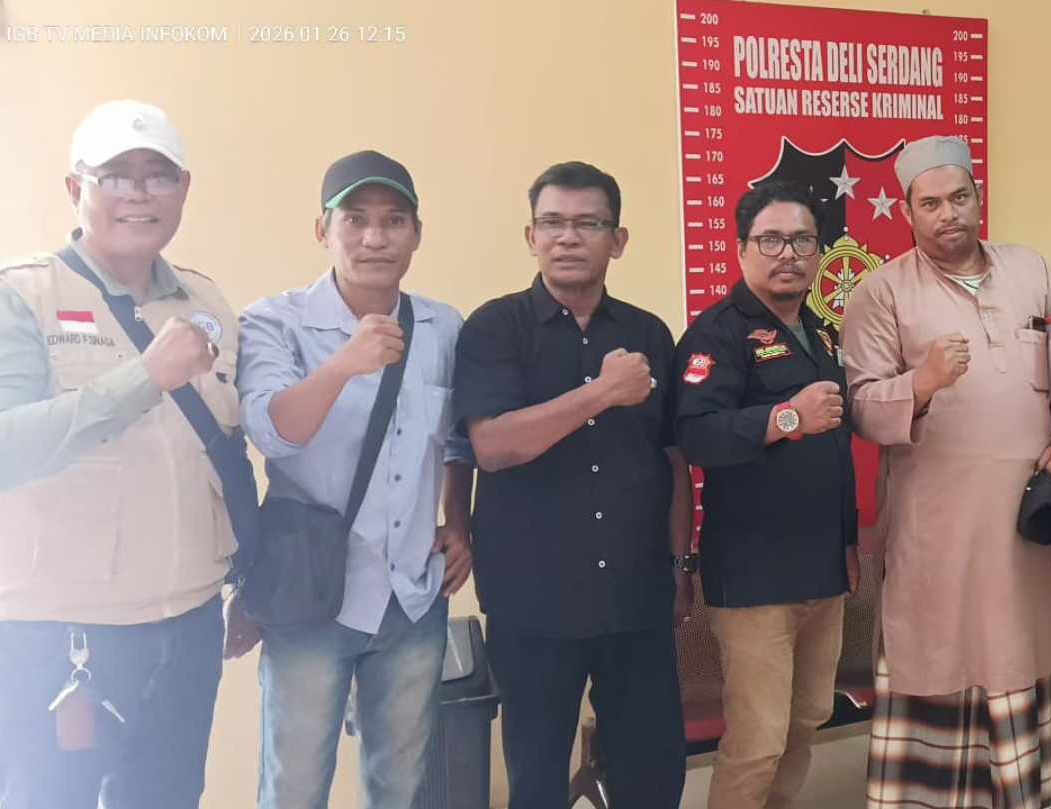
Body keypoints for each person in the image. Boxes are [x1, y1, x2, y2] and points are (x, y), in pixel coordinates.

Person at [0, 99, 237, 808]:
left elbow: (220, 454)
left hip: (188, 625)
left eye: (159, 176)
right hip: (60, 637)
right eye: (117, 176)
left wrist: (244, 579)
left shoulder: (206, 300)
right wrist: (143, 377)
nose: (139, 194)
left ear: (184, 189)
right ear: (76, 188)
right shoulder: (18, 296)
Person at [841, 135, 1051, 809]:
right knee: (939, 655)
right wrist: (921, 382)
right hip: (939, 533)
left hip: (1023, 527)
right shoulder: (881, 293)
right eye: (929, 203)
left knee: (1017, 650)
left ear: (978, 197)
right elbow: (860, 408)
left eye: (958, 197)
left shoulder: (1032, 270)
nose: (947, 213)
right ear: (906, 212)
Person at [227, 150, 474, 808]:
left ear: (416, 234)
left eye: (394, 220)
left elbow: (458, 438)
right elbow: (272, 431)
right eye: (355, 219)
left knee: (402, 786)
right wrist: (342, 364)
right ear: (323, 230)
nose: (375, 238)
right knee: (295, 788)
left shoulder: (443, 325)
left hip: (413, 596)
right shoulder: (273, 321)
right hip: (310, 599)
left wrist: (458, 521)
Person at [452, 161, 690, 809]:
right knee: (535, 782)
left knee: (653, 775)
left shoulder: (648, 333)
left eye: (588, 223)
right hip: (533, 603)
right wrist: (602, 392)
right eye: (552, 222)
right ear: (530, 237)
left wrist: (681, 563)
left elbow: (671, 458)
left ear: (619, 239)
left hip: (637, 596)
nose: (568, 237)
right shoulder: (495, 327)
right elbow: (493, 447)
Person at [673, 180, 858, 809]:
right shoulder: (717, 334)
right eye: (771, 240)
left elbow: (836, 450)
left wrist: (847, 544)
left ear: (818, 251)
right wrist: (786, 417)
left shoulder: (818, 331)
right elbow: (696, 436)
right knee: (758, 740)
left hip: (821, 569)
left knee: (807, 718)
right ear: (742, 249)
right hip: (755, 577)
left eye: (802, 240)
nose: (788, 254)